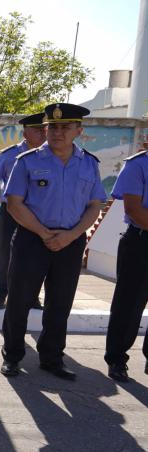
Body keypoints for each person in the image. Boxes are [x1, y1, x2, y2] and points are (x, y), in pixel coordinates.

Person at [1, 103, 106, 380]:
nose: (58, 132)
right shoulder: (27, 161)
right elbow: (14, 203)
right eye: (52, 127)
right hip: (32, 239)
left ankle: (51, 358)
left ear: (78, 130)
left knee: (60, 303)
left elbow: (95, 205)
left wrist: (70, 236)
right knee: (19, 301)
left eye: (65, 127)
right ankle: (12, 355)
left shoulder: (89, 163)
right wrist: (45, 234)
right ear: (45, 129)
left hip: (70, 242)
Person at [0, 112, 45, 310]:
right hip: (12, 212)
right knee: (7, 253)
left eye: (44, 129)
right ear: (25, 132)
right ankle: (1, 293)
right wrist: (4, 200)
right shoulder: (10, 154)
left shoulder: (49, 155)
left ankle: (32, 296)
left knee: (37, 255)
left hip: (38, 213)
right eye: (37, 130)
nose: (42, 133)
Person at [105, 142, 148, 382]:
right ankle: (117, 359)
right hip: (141, 241)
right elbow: (133, 208)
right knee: (129, 306)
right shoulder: (138, 165)